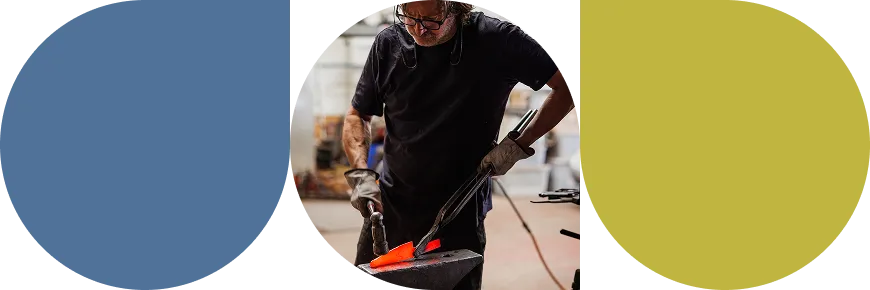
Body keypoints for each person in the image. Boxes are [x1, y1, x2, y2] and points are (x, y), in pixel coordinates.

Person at [341, 0, 575, 289]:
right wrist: (361, 174)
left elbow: (568, 85)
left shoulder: (497, 40)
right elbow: (357, 115)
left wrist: (517, 145)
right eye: (410, 17)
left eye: (432, 20)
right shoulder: (389, 44)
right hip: (392, 203)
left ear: (457, 9)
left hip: (459, 210)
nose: (418, 29)